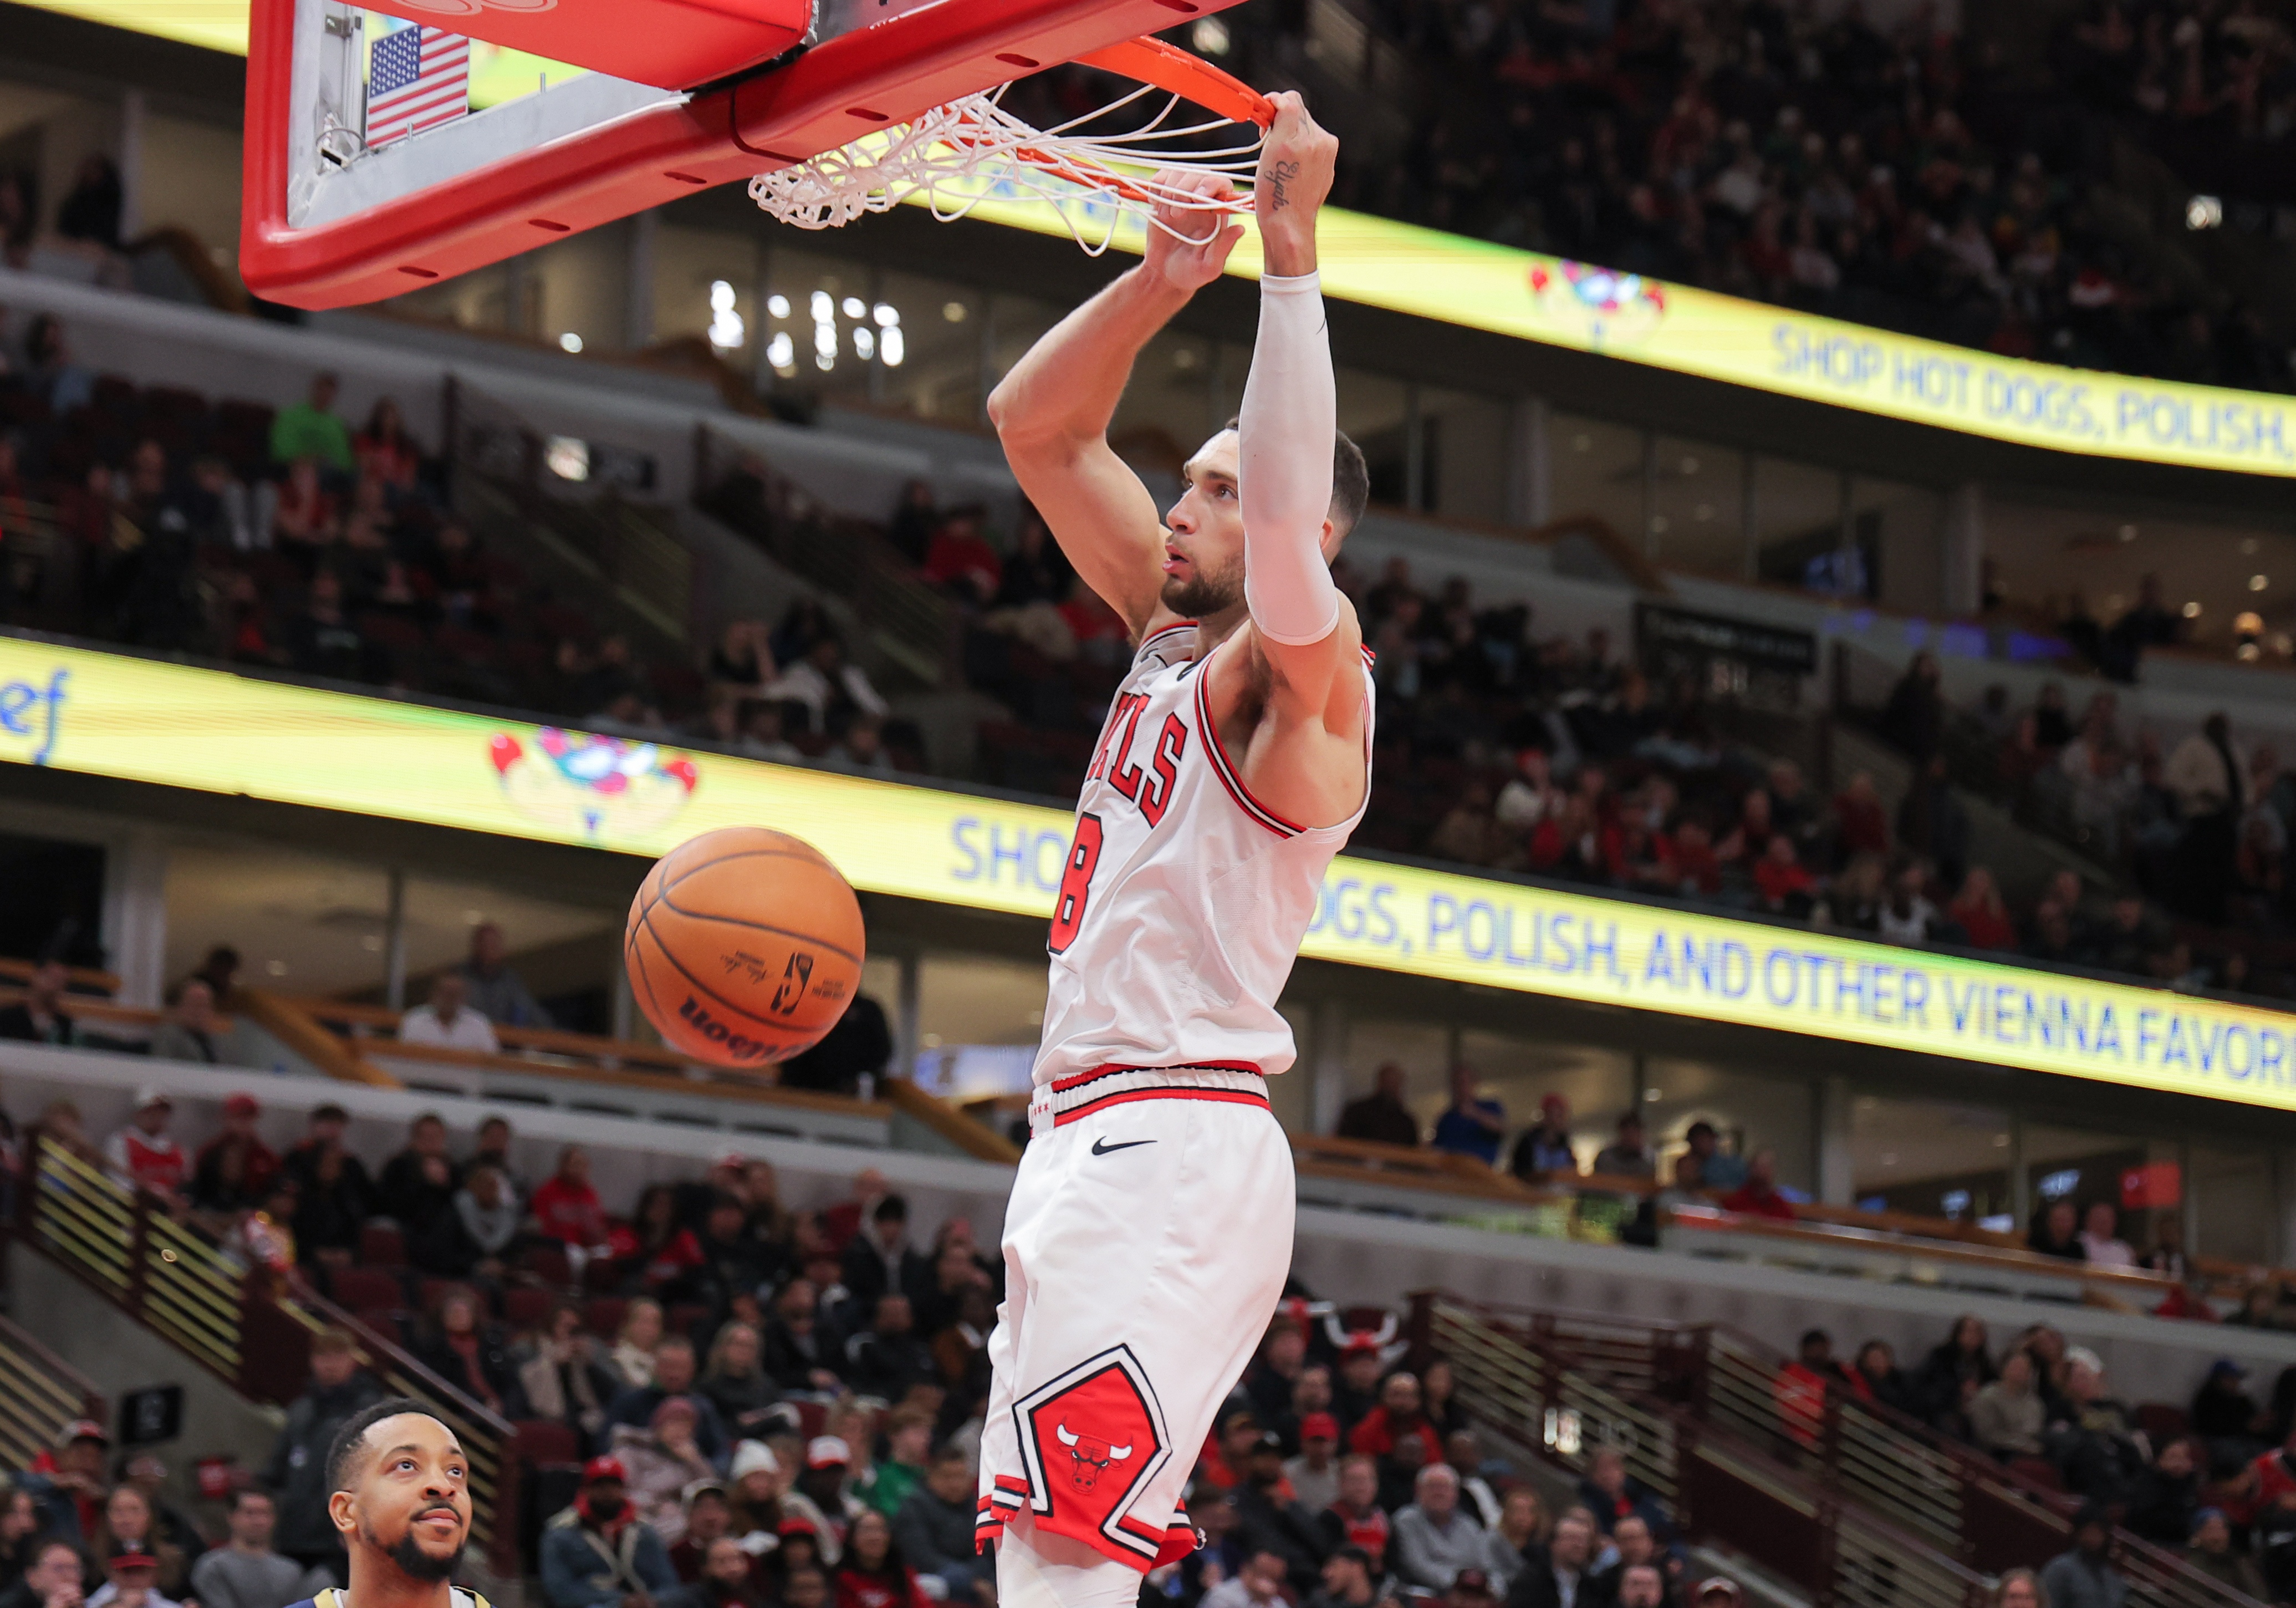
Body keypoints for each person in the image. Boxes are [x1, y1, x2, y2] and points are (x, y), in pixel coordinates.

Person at [974, 93, 1375, 1599]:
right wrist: (1159, 278)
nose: (1180, 506)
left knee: (1065, 1561)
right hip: (1083, 1133)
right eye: (1188, 481)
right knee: (1040, 1559)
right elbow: (1033, 426)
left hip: (1172, 1135)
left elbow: (1277, 526)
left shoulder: (1304, 683)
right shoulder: (1164, 635)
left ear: (1301, 532)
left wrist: (1289, 258)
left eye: (1215, 486)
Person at [262, 1329, 385, 1576]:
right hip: (293, 1535)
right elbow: (278, 1470)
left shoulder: (369, 1412)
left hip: (340, 1541)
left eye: (338, 1356)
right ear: (312, 1361)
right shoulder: (301, 1410)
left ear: (353, 1360)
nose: (330, 1364)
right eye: (323, 1356)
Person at [542, 1456, 678, 1608]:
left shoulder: (644, 1532)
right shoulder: (561, 1533)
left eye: (614, 1485)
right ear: (586, 1490)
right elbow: (561, 1590)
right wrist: (619, 1602)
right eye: (600, 1486)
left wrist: (652, 1601)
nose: (608, 1492)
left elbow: (668, 1583)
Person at [187, 1490, 328, 1608]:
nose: (258, 1521)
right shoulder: (213, 1566)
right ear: (231, 1517)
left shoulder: (292, 1570)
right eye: (250, 1513)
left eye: (265, 1513)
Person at [891, 1448, 991, 1607]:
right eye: (947, 1477)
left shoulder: (977, 1507)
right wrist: (970, 1581)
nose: (955, 1484)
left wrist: (976, 1577)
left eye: (961, 1476)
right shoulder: (914, 1508)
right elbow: (922, 1558)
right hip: (933, 1589)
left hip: (980, 1584)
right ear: (931, 1477)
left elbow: (988, 1553)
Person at [1390, 1464, 1488, 1594]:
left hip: (1469, 1593)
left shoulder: (1470, 1526)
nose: (1439, 1493)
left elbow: (1485, 1565)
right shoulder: (1406, 1521)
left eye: (1445, 1487)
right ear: (1418, 1491)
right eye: (1432, 1487)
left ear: (1456, 1494)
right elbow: (1418, 1566)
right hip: (1425, 1593)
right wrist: (1460, 1584)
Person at [103, 1088, 187, 1205]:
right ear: (138, 1113)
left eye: (162, 1111)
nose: (156, 1116)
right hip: (132, 1206)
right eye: (150, 1111)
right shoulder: (121, 1142)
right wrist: (153, 1193)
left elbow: (184, 1183)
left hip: (168, 1208)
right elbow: (118, 1182)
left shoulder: (177, 1149)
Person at [460, 923, 552, 1029]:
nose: (490, 949)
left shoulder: (510, 980)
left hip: (506, 1036)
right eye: (486, 944)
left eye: (494, 945)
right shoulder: (461, 979)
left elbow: (531, 1011)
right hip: (472, 1035)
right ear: (476, 946)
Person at [831, 1509, 927, 1608]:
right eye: (867, 1530)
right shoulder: (841, 1579)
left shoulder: (904, 1575)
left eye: (881, 1530)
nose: (876, 1537)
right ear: (852, 1539)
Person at [2038, 1505, 2126, 1608]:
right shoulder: (2060, 1569)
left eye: (2099, 1531)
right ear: (2079, 1533)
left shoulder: (2112, 1578)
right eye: (2090, 1531)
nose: (2094, 1537)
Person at [1501, 1510, 1591, 1608]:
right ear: (1554, 1543)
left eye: (1584, 1540)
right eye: (1572, 1538)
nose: (1579, 1545)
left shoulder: (1592, 1587)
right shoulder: (1530, 1582)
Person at [269, 374, 355, 475]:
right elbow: (280, 450)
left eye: (329, 392)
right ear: (313, 390)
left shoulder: (337, 425)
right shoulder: (290, 416)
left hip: (326, 473)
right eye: (321, 390)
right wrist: (306, 461)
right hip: (290, 469)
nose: (324, 395)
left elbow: (344, 460)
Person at [1972, 1350, 2047, 1461]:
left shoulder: (2034, 1403)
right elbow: (1987, 1435)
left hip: (2030, 1452)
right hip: (1997, 1453)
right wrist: (2018, 1444)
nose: (2020, 1372)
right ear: (2004, 1368)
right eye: (2016, 1367)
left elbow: (2035, 1430)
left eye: (2025, 1369)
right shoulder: (1988, 1397)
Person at [151, 983, 246, 1066]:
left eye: (204, 1006)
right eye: (195, 1005)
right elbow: (162, 1066)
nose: (199, 1012)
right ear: (179, 1007)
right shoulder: (168, 1035)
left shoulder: (216, 1040)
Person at [399, 974, 500, 1054]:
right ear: (433, 993)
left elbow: (492, 1059)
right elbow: (403, 1055)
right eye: (446, 993)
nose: (450, 999)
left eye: (455, 994)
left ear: (464, 996)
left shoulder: (479, 1023)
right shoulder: (414, 1019)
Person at [1433, 1067, 1508, 1167]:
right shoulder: (1446, 1119)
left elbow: (1499, 1128)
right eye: (1456, 1083)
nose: (1460, 1087)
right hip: (1451, 1171)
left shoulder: (1490, 1107)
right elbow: (1437, 1149)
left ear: (1474, 1083)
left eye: (1463, 1082)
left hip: (1480, 1170)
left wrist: (1475, 1113)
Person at [2186, 1508, 2266, 1598]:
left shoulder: (2239, 1561)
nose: (2217, 1537)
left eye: (2222, 1529)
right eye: (2211, 1530)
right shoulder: (2194, 1567)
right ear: (2198, 1534)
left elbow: (2258, 1593)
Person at [664, 1536, 766, 1608]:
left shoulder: (755, 1595)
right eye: (722, 1562)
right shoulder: (689, 1600)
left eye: (737, 1560)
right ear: (706, 1568)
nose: (733, 1569)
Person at [1336, 1064, 1419, 1147]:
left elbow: (1411, 1150)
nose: (1392, 1087)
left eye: (1395, 1083)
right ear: (1380, 1082)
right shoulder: (1357, 1112)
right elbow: (1344, 1143)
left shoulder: (1406, 1122)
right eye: (1389, 1082)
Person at [0, 959, 74, 1046]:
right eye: (50, 979)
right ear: (35, 976)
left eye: (60, 982)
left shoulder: (65, 1026)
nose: (53, 987)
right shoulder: (7, 1018)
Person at [1508, 1095, 1576, 1180]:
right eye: (1559, 1115)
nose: (1564, 1120)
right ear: (1547, 1115)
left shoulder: (1565, 1147)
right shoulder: (1528, 1143)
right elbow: (1520, 1174)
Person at [1285, 1413, 1342, 1513]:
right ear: (1303, 1443)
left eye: (1325, 1441)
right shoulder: (1288, 1472)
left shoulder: (1342, 1472)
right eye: (1314, 1442)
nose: (1320, 1448)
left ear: (1335, 1443)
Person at [2, 1541, 85, 1608]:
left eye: (76, 1569)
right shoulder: (10, 1603)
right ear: (32, 1577)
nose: (71, 1576)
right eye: (59, 1568)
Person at [1720, 1149, 1794, 1220]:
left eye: (1767, 1168)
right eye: (1759, 1167)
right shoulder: (1735, 1202)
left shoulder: (1781, 1207)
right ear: (1751, 1169)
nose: (1762, 1173)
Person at [1305, 1546, 1379, 1608]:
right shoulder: (1320, 1603)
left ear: (1357, 1567)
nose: (1325, 1574)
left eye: (1333, 1566)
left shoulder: (1384, 1596)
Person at [1591, 1112, 1655, 1179]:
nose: (1633, 1138)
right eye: (1630, 1134)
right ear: (1622, 1134)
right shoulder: (1606, 1159)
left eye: (1637, 1134)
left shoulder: (1648, 1160)